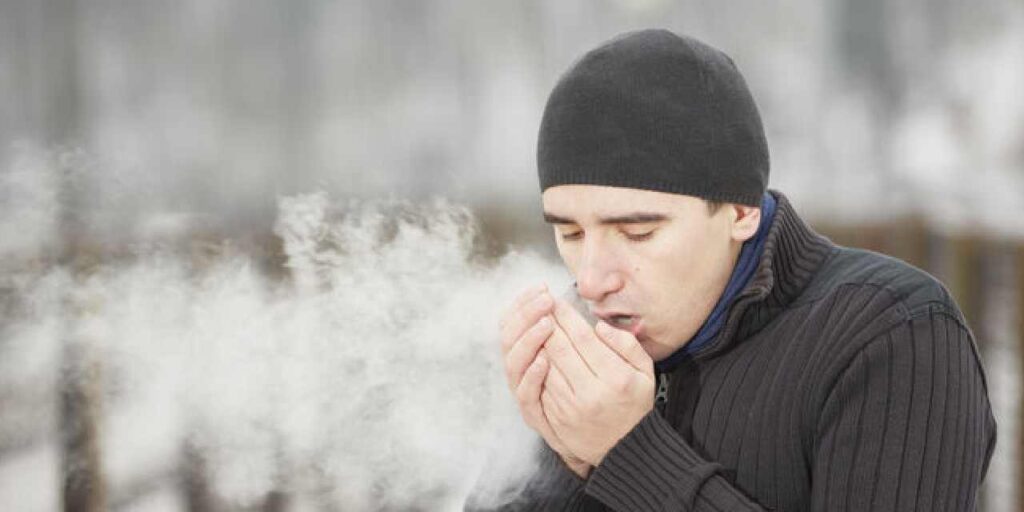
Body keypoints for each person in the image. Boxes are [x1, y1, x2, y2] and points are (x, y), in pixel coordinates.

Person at [487, 29, 996, 511]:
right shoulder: (587, 356)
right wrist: (567, 459)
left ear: (740, 211)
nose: (592, 280)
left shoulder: (893, 335)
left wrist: (629, 454)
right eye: (570, 234)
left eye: (638, 232)